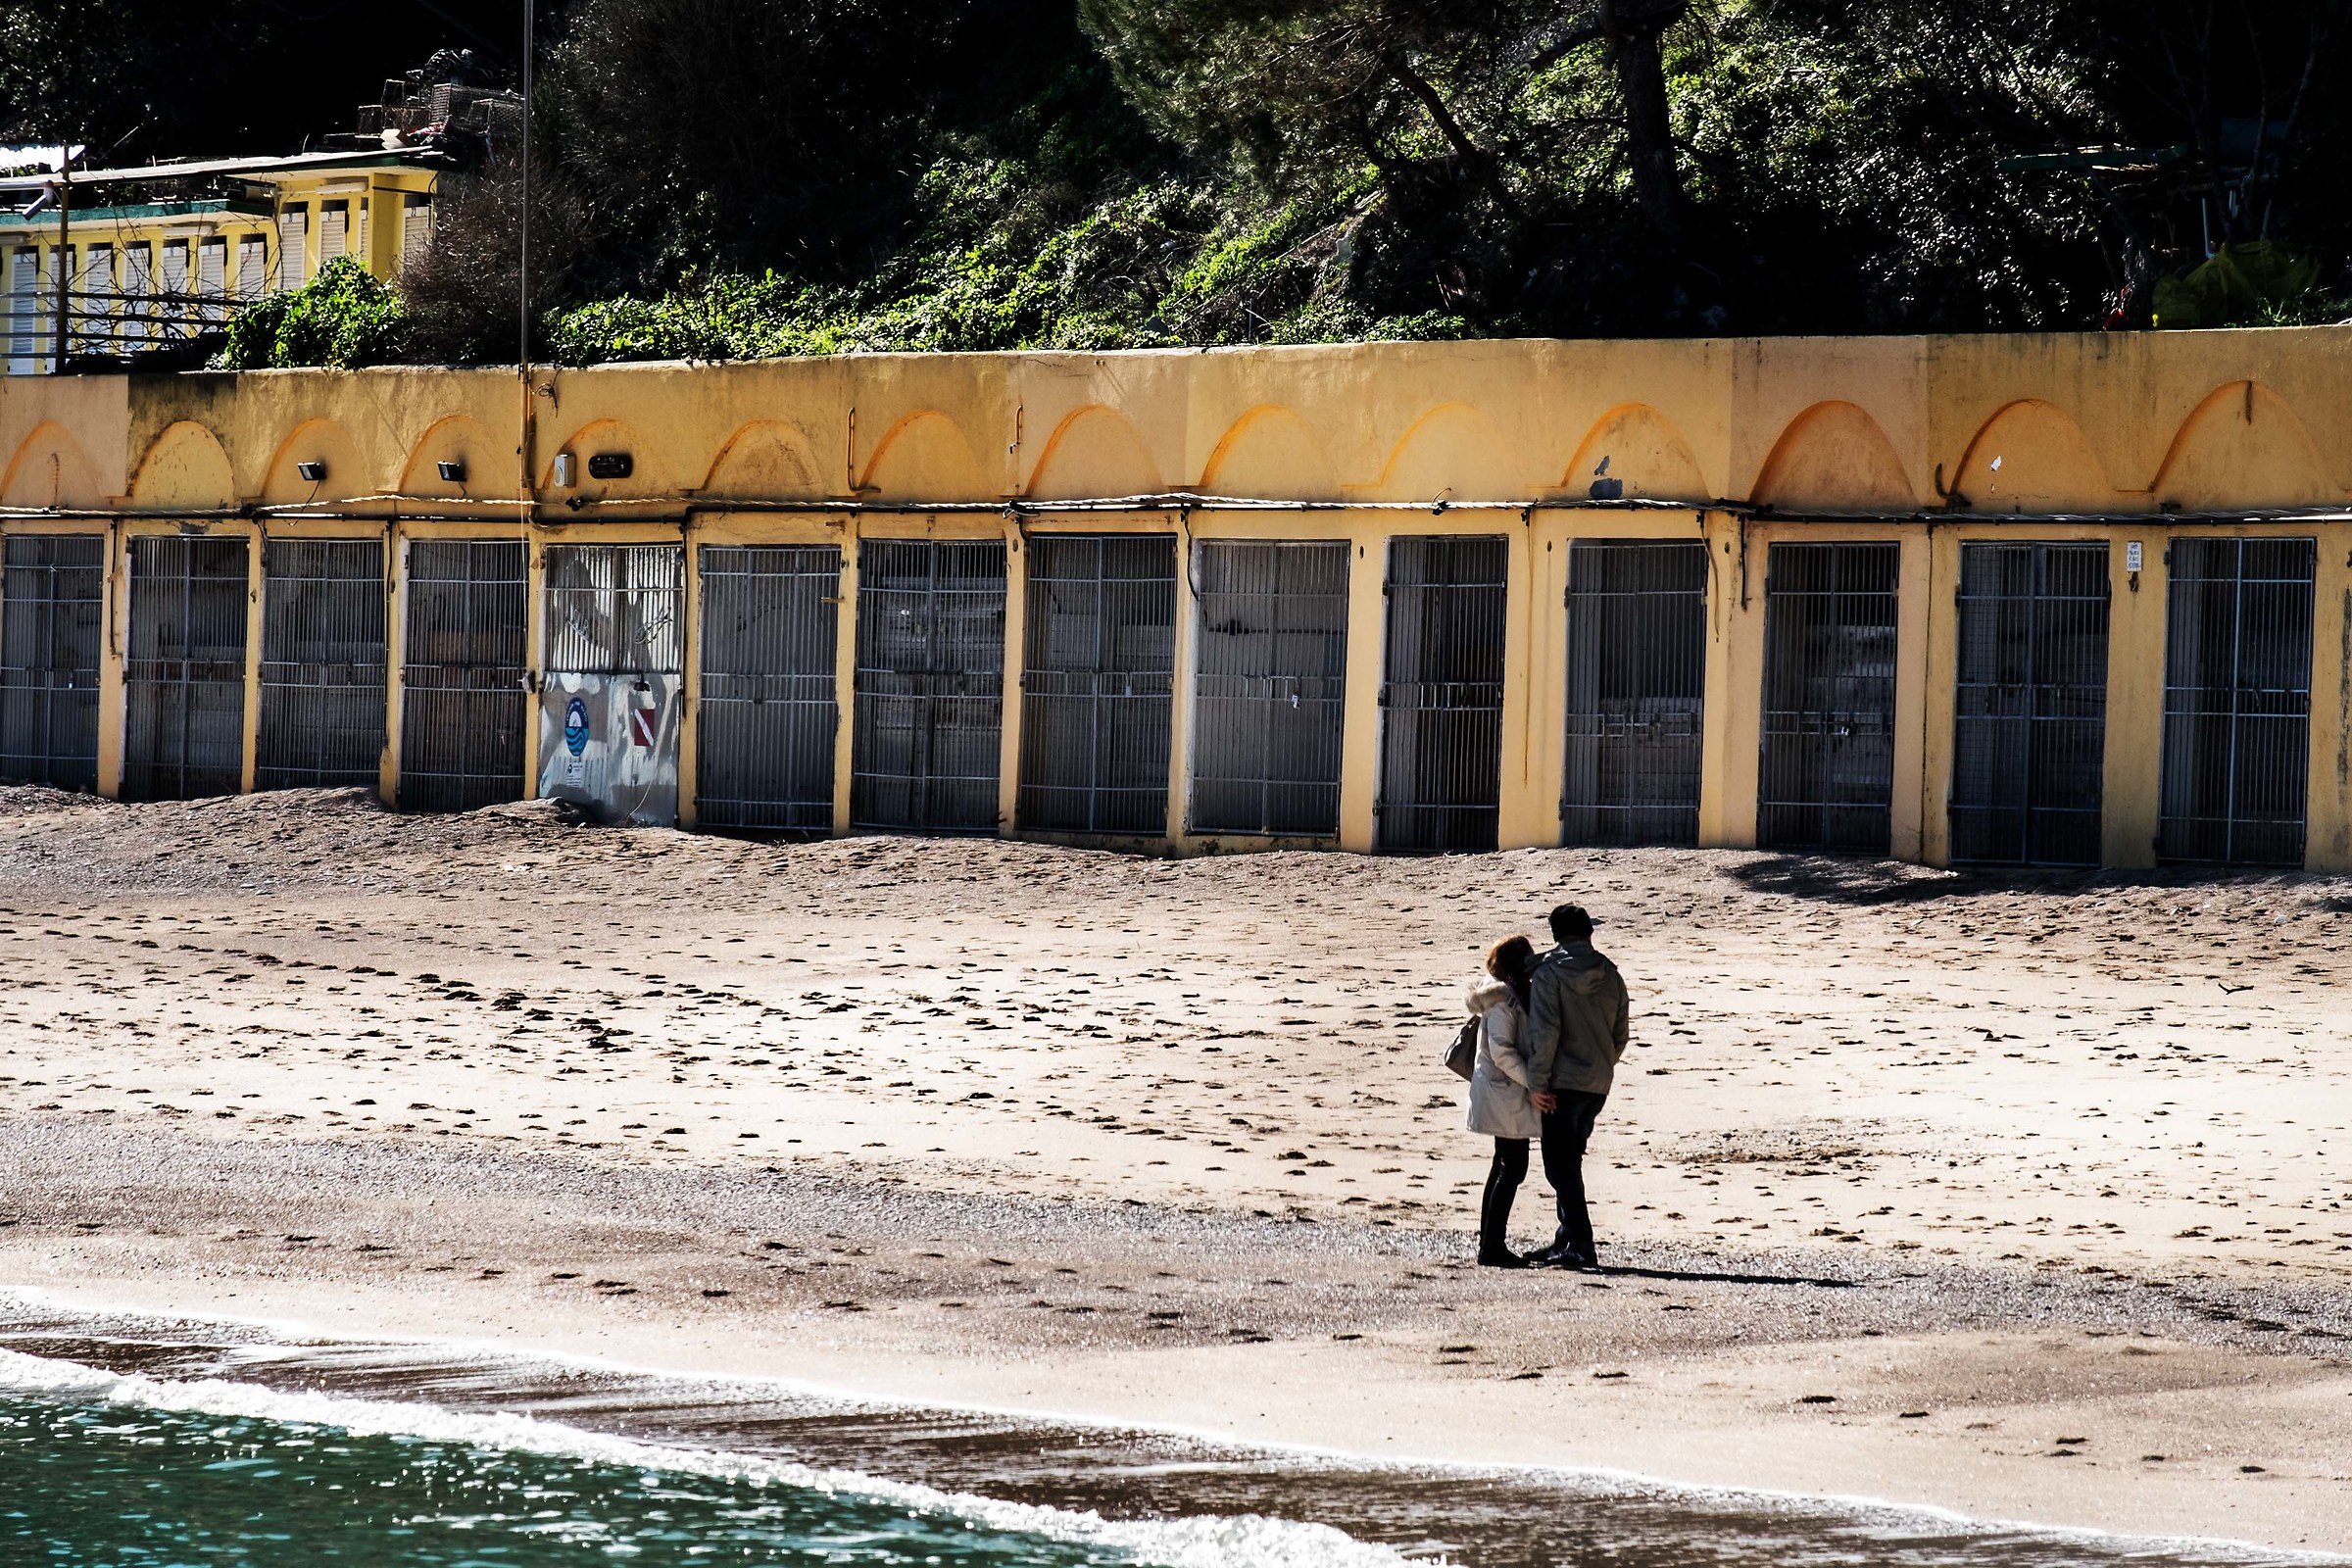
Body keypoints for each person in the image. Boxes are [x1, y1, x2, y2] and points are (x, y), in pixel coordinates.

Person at [1521, 903, 1629, 1271]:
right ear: (1589, 932)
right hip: (1597, 1082)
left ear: (1555, 934)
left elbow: (1545, 1033)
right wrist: (1601, 1065)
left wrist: (1537, 1082)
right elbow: (1620, 1034)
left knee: (1558, 1165)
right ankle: (1566, 1238)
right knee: (1571, 1159)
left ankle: (1580, 1242)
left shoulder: (1550, 974)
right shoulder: (1610, 973)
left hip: (1561, 1082)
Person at [1464, 934, 1542, 1267]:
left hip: (1500, 1091)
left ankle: (1490, 1243)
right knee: (1512, 1167)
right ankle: (1491, 1247)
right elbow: (1502, 1052)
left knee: (1503, 1165)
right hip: (1503, 1092)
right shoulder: (1504, 998)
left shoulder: (1506, 991)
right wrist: (1535, 1083)